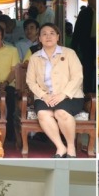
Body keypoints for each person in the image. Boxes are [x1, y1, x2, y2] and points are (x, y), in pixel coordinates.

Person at [26, 23, 84, 158]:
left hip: (70, 96)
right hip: (44, 96)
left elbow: (77, 76)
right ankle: (60, 147)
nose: (48, 36)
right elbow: (30, 81)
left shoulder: (69, 53)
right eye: (44, 34)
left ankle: (71, 147)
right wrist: (44, 96)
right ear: (39, 38)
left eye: (52, 33)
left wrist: (63, 94)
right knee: (43, 114)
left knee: (61, 112)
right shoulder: (35, 57)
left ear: (58, 37)